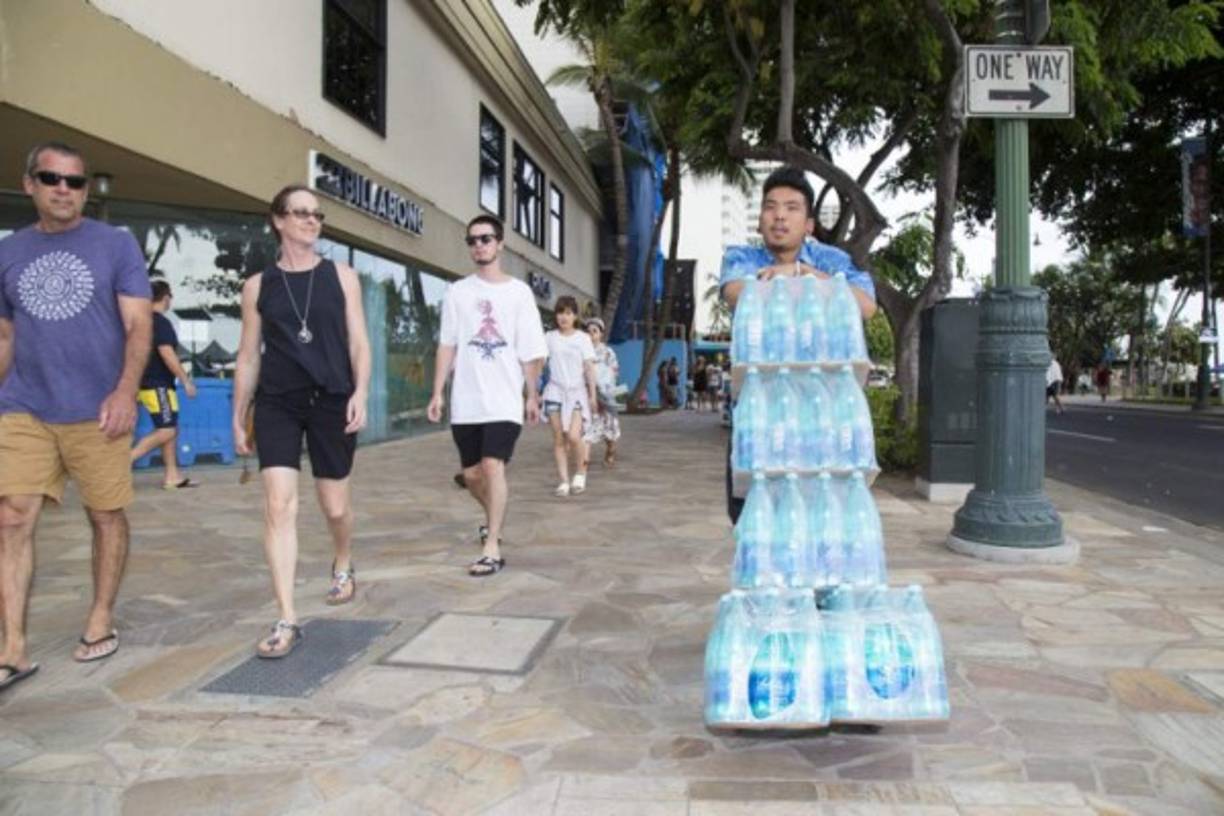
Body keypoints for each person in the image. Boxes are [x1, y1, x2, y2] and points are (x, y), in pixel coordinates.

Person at [0, 142, 153, 691]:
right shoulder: (9, 250)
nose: (63, 189)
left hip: (97, 408)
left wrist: (124, 392)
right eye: (51, 178)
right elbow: (7, 335)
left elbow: (138, 327)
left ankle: (100, 615)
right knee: (11, 517)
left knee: (105, 515)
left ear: (85, 190)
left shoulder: (115, 245)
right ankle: (13, 647)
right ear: (30, 185)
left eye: (75, 182)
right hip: (25, 406)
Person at [232, 185, 371, 658]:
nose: (312, 221)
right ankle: (286, 617)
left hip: (332, 398)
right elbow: (248, 356)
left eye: (317, 215)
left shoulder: (342, 276)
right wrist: (238, 413)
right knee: (279, 506)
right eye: (301, 214)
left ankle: (344, 561)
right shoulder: (257, 286)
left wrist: (362, 392)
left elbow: (358, 343)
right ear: (278, 221)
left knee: (334, 507)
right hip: (277, 403)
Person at [720, 165, 878, 524]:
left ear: (808, 224)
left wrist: (803, 275)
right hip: (759, 407)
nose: (779, 216)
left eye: (792, 208)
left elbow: (866, 306)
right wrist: (800, 284)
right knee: (751, 515)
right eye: (770, 206)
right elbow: (734, 293)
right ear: (760, 219)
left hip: (822, 411)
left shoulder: (832, 261)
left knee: (820, 516)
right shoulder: (742, 258)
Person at [428, 215, 547, 576]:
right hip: (466, 401)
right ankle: (492, 519)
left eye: (485, 238)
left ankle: (492, 544)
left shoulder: (518, 293)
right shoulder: (457, 292)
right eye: (473, 240)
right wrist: (437, 392)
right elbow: (447, 345)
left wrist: (531, 394)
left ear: (500, 245)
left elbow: (530, 349)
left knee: (493, 466)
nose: (478, 245)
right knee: (473, 475)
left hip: (503, 400)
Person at [130, 280, 199, 488]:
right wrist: (186, 381)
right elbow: (167, 353)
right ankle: (122, 461)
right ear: (166, 297)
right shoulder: (160, 322)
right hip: (158, 384)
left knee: (168, 427)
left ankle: (172, 476)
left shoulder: (140, 321)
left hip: (146, 383)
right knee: (168, 430)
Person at [543, 296, 598, 497]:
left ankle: (581, 473)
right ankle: (564, 480)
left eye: (568, 313)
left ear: (575, 316)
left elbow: (589, 368)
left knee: (574, 436)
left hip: (576, 393)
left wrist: (592, 395)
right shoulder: (549, 337)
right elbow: (540, 362)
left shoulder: (583, 339)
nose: (563, 317)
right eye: (560, 312)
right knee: (559, 438)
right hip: (554, 392)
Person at [582, 317, 622, 467]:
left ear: (600, 334)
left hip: (606, 394)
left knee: (609, 427)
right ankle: (585, 457)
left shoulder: (608, 352)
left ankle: (610, 450)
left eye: (595, 331)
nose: (591, 335)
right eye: (588, 332)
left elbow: (615, 370)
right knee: (588, 425)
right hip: (587, 395)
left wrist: (604, 383)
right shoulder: (582, 351)